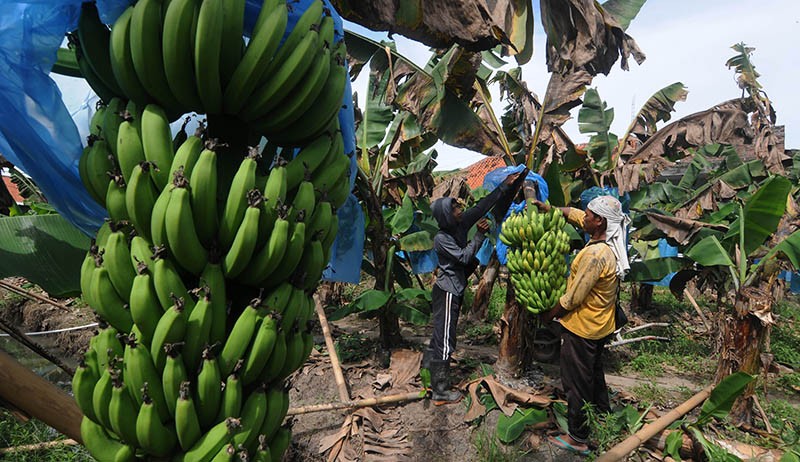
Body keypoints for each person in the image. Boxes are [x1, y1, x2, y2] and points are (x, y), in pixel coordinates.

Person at [535, 195, 630, 455]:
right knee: (593, 375)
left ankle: (578, 438)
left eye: (588, 215)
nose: (583, 217)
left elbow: (572, 298)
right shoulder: (606, 237)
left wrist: (549, 316)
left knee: (576, 381)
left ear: (599, 222)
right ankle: (602, 417)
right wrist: (551, 208)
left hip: (582, 327)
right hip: (600, 324)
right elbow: (576, 215)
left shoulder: (596, 255)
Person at [426, 171, 522, 404]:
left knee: (441, 334)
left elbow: (481, 207)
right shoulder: (442, 238)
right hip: (448, 291)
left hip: (453, 289)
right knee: (446, 337)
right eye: (456, 209)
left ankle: (428, 371)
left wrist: (504, 187)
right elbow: (463, 257)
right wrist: (479, 236)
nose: (461, 211)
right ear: (448, 215)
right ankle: (440, 389)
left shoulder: (459, 225)